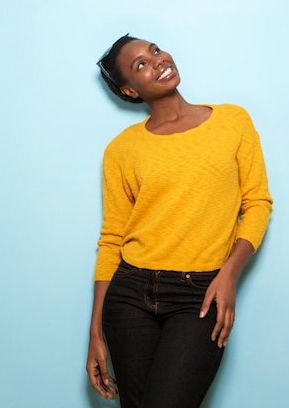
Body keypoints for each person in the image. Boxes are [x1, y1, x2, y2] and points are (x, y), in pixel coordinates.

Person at [86, 33, 273, 408]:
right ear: (129, 91)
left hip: (200, 294)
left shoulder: (232, 120)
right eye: (140, 64)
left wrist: (228, 274)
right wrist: (95, 333)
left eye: (154, 50)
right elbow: (112, 240)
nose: (156, 60)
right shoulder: (121, 149)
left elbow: (257, 204)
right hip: (129, 296)